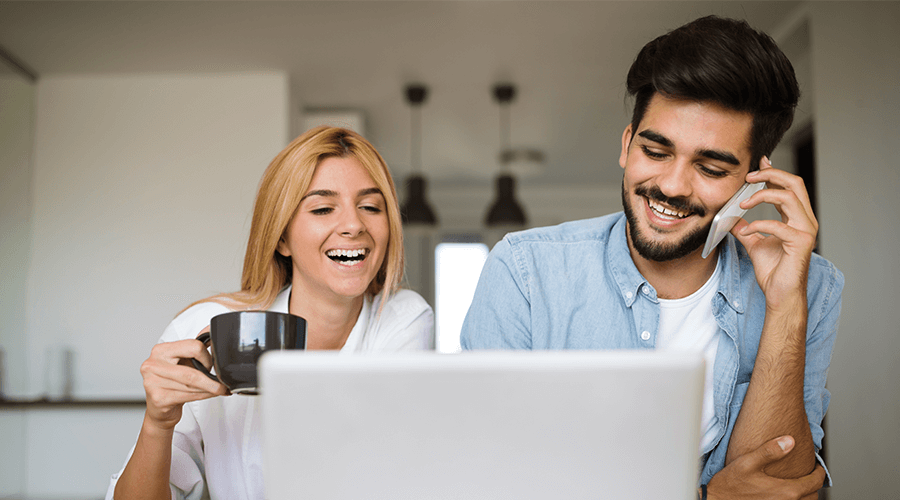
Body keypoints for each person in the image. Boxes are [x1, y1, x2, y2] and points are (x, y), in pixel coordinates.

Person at [461, 16, 842, 499]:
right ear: (627, 144)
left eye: (709, 167)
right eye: (656, 151)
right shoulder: (524, 272)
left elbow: (782, 488)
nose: (672, 186)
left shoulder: (810, 287)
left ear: (756, 182)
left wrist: (785, 306)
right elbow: (486, 479)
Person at [107, 126, 435, 499]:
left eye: (371, 207)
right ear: (281, 238)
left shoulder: (402, 322)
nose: (354, 225)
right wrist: (158, 424)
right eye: (323, 208)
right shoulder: (202, 328)